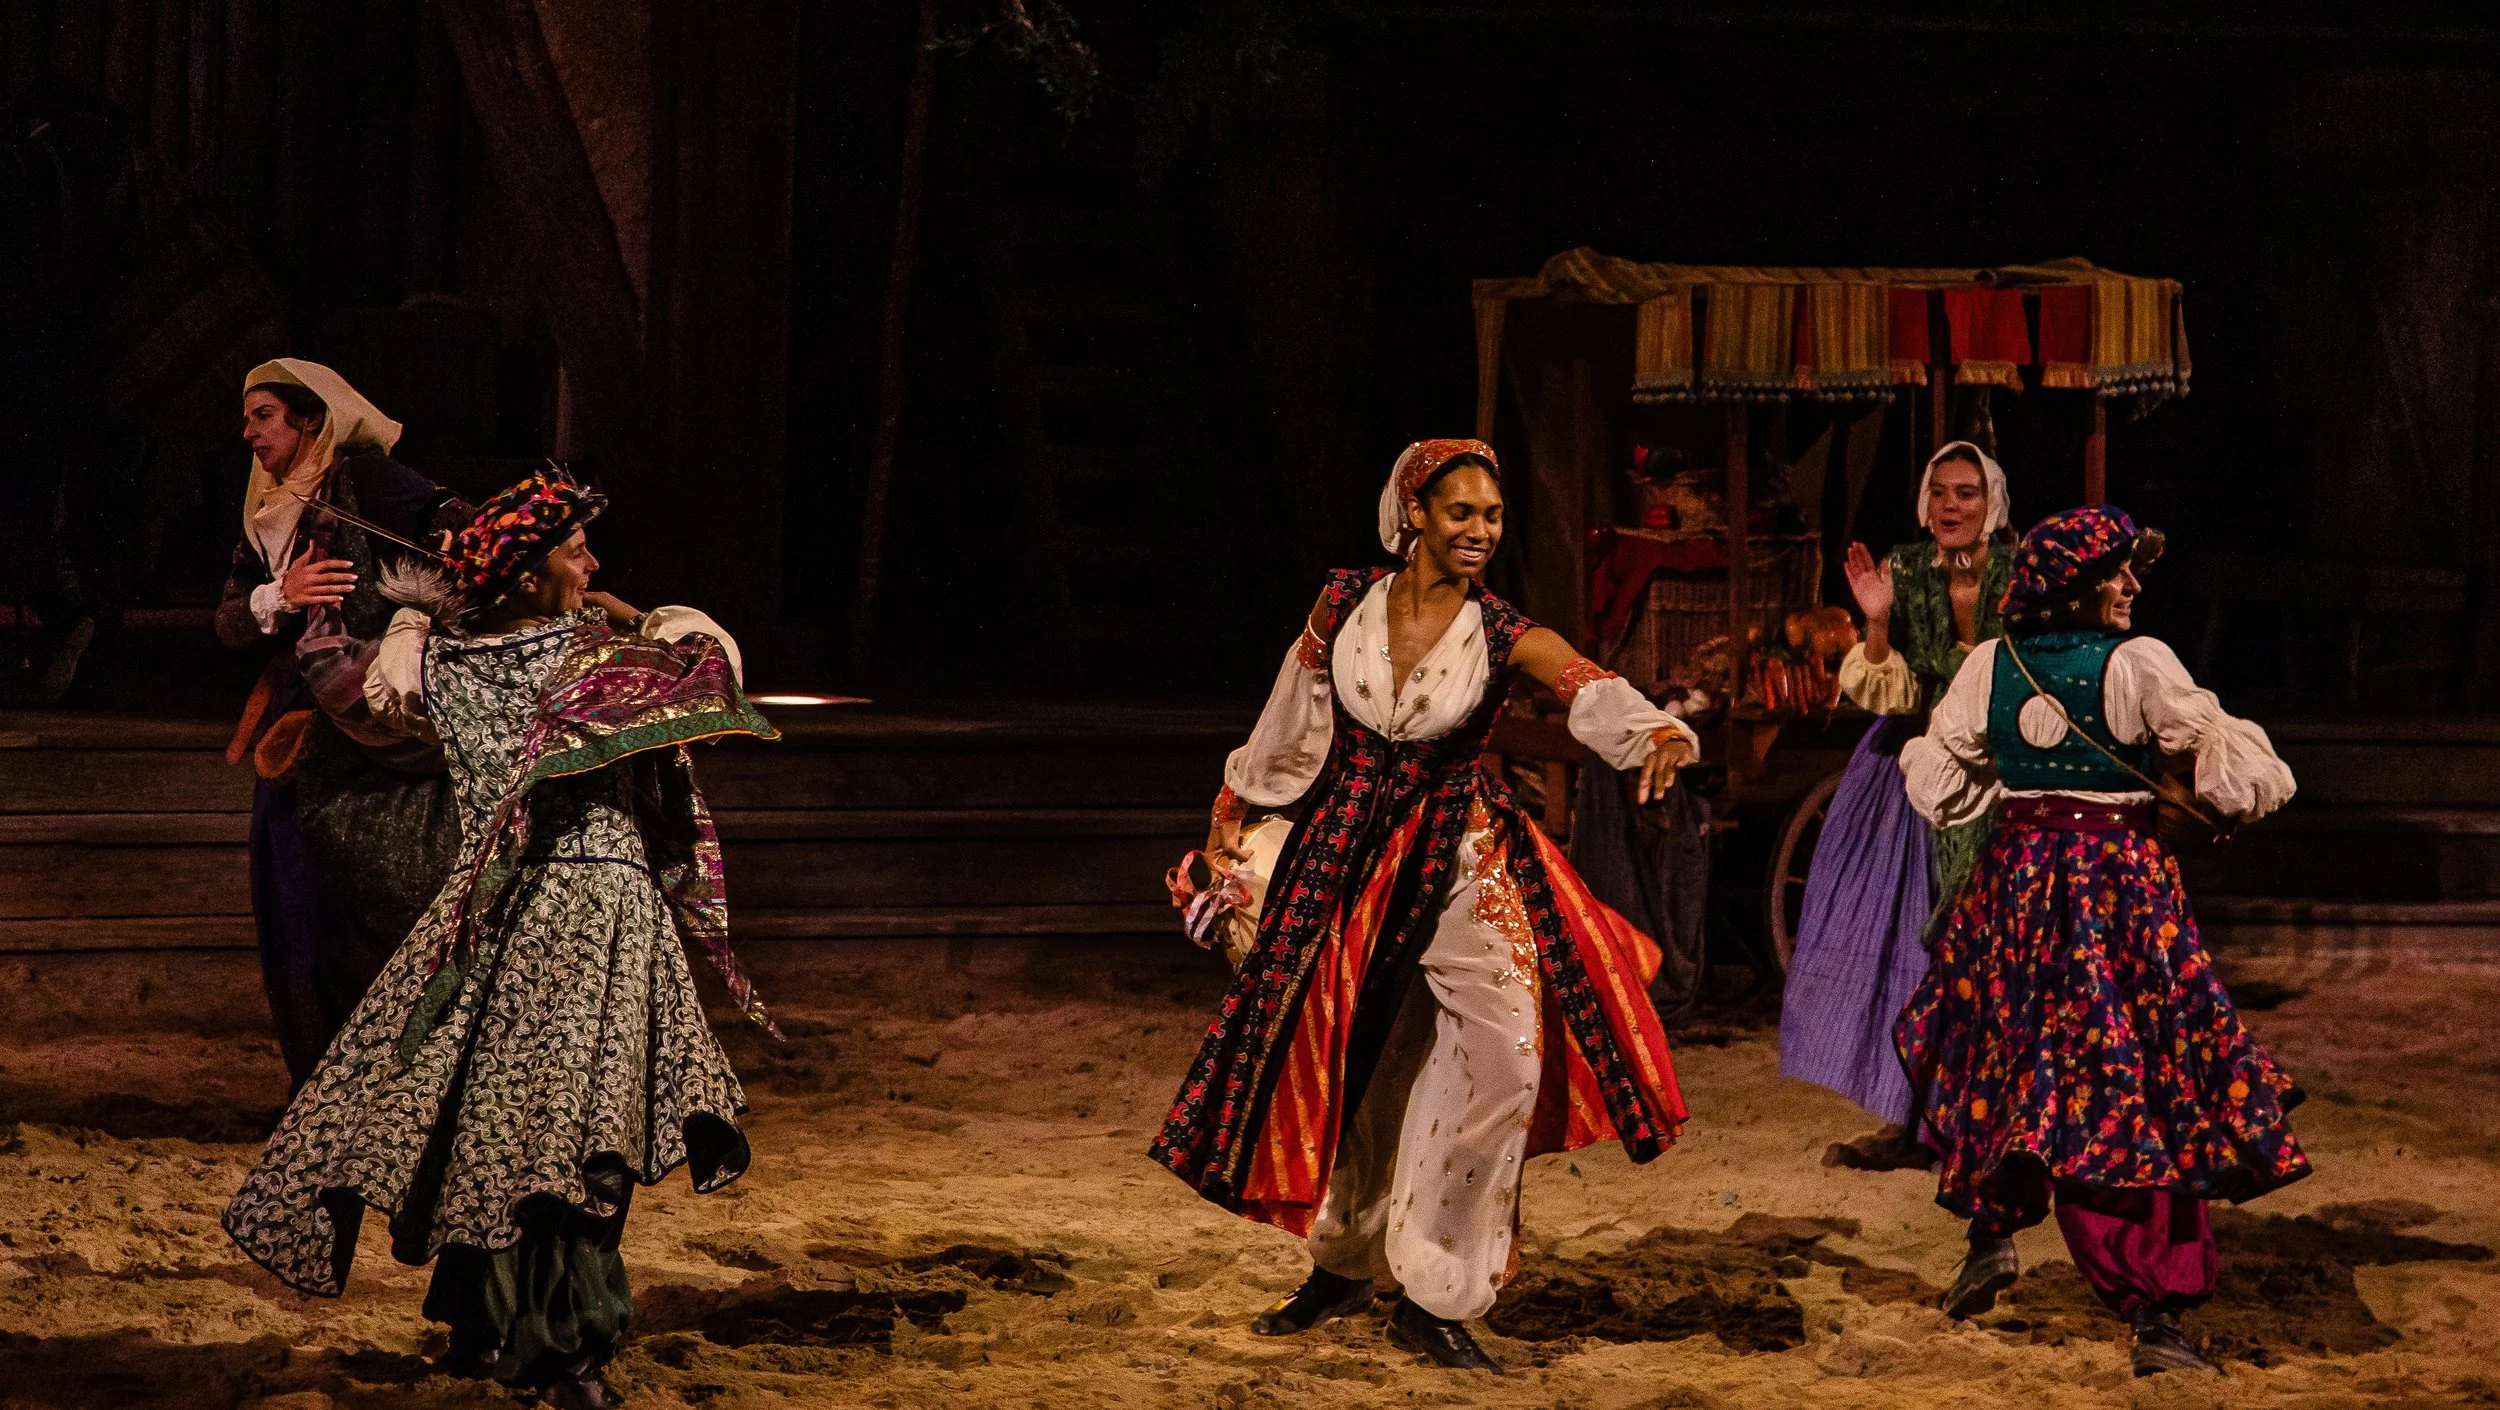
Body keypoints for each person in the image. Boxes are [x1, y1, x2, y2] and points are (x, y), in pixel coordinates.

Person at [223, 470, 778, 1409]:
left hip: (492, 921)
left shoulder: (449, 665)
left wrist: (413, 616)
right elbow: (714, 660)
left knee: (499, 1130)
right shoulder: (596, 660)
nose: (593, 564)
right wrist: (642, 615)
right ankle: (562, 1355)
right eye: (574, 552)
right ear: (525, 576)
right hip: (591, 925)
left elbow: (388, 694)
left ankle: (489, 1323)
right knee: (573, 1141)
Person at [1150, 439, 1697, 1374]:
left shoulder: (1499, 628)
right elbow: (1288, 722)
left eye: (1492, 515)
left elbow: (1573, 674)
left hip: (1460, 859)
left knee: (1504, 1057)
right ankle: (1344, 1262)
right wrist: (1231, 816)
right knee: (1357, 1057)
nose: (1481, 530)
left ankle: (1438, 1289)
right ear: (1414, 514)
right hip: (1349, 857)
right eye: (1461, 513)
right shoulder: (1343, 606)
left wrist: (1652, 730)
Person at [1894, 504, 2306, 1377]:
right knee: (2134, 1078)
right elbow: (2219, 763)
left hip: (2014, 888)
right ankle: (2155, 1311)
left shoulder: (1986, 666)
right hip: (2115, 892)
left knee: (2014, 1058)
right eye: (2117, 572)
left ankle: (1990, 1236)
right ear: (2073, 584)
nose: (2131, 585)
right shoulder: (2138, 661)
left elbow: (1944, 774)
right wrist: (2231, 795)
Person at [215, 358, 472, 1086]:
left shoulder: (366, 481)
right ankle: (316, 1084)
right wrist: (281, 593)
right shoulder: (264, 519)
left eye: (263, 414)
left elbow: (450, 517)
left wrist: (455, 539)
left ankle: (397, 1083)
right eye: (248, 417)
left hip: (379, 733)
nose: (249, 433)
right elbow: (232, 623)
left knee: (384, 899)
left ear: (309, 418)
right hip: (302, 727)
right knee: (290, 895)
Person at [1780, 441, 2011, 1169]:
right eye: (1939, 491)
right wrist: (1877, 621)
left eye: (1967, 493)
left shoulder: (2018, 572)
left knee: (1986, 940)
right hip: (1916, 762)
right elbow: (1890, 683)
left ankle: (1986, 1126)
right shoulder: (1905, 570)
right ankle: (1906, 1118)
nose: (1951, 505)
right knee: (1906, 938)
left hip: (2000, 762)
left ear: (1991, 503)